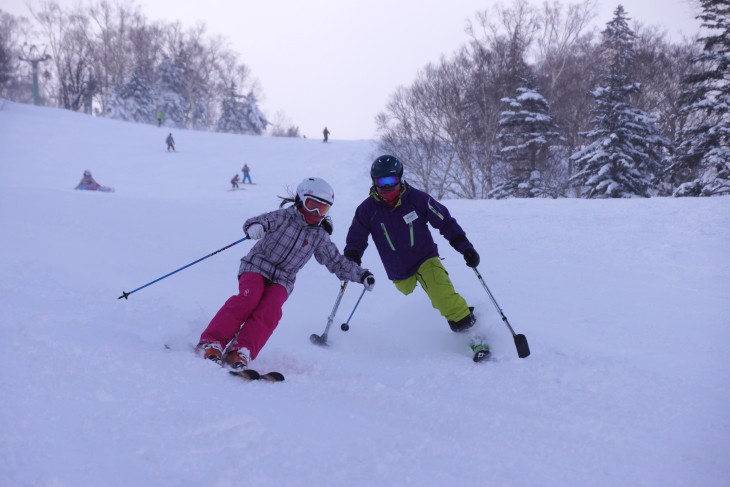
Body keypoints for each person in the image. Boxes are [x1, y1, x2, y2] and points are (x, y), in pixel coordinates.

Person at [196, 177, 376, 370]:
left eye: (322, 209)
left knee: (271, 309)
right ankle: (212, 342)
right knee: (249, 298)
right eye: (312, 205)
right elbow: (258, 221)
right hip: (257, 265)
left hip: (284, 278)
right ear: (300, 200)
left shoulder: (319, 236)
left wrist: (361, 274)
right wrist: (255, 228)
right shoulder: (283, 217)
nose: (316, 213)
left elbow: (335, 261)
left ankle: (241, 350)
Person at [343, 155, 489, 361]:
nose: (385, 188)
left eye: (390, 181)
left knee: (441, 294)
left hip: (425, 257)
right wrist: (352, 256)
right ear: (373, 182)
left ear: (400, 178)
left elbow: (445, 222)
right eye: (380, 182)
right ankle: (460, 310)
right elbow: (357, 237)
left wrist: (465, 247)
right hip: (398, 270)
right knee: (407, 289)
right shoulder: (367, 210)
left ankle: (475, 336)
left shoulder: (417, 199)